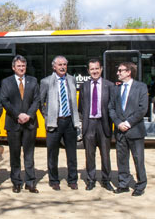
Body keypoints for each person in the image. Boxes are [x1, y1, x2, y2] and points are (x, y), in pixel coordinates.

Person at [0, 55, 40, 193]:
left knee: (29, 155)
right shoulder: (6, 82)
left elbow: (37, 100)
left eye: (23, 66)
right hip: (13, 123)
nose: (21, 68)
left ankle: (30, 182)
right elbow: (4, 101)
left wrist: (28, 115)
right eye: (19, 66)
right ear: (13, 67)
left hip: (30, 123)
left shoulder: (33, 81)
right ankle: (16, 182)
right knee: (14, 154)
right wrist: (18, 115)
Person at [39, 56, 81, 191]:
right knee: (52, 154)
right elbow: (41, 102)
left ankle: (72, 180)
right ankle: (54, 180)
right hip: (54, 122)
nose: (62, 67)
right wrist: (47, 116)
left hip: (69, 121)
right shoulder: (46, 82)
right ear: (54, 67)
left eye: (64, 64)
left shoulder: (71, 79)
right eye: (60, 65)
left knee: (72, 154)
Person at [108, 62, 148, 196]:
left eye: (120, 70)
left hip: (135, 130)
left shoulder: (141, 87)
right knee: (122, 159)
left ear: (129, 72)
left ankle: (140, 185)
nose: (118, 73)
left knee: (138, 159)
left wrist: (128, 123)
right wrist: (119, 123)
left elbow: (143, 109)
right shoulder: (115, 88)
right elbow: (111, 108)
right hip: (120, 131)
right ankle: (123, 184)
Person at [78, 59, 115, 192]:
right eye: (92, 69)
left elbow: (112, 107)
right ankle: (91, 180)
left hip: (103, 124)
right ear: (88, 71)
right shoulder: (84, 86)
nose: (95, 71)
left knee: (105, 155)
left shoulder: (109, 85)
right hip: (89, 124)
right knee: (90, 155)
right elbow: (81, 107)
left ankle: (106, 180)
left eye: (97, 68)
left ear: (101, 69)